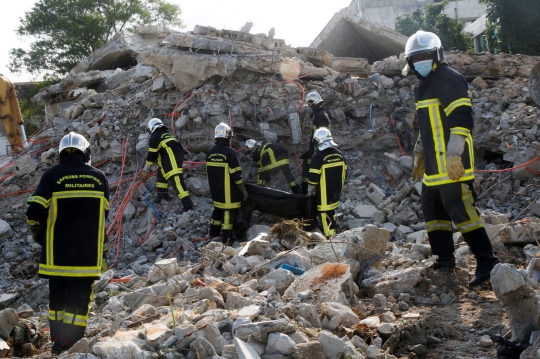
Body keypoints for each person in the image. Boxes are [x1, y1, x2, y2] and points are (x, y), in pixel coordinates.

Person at [406, 30, 499, 287]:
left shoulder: (450, 79)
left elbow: (461, 121)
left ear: (437, 55)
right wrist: (419, 155)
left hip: (453, 162)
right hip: (434, 165)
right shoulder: (421, 86)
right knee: (433, 210)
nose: (420, 62)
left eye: (425, 56)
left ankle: (487, 262)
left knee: (460, 209)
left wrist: (454, 154)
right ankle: (445, 260)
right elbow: (425, 127)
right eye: (415, 59)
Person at [25, 132, 109, 354]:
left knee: (58, 297)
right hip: (87, 256)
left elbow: (33, 212)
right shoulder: (99, 178)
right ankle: (71, 344)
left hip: (57, 257)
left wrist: (39, 233)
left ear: (61, 153)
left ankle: (56, 341)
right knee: (80, 300)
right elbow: (103, 218)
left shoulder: (52, 175)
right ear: (86, 153)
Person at [206, 123, 248, 243]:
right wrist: (243, 190)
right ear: (229, 136)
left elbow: (209, 174)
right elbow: (236, 175)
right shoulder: (230, 152)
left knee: (217, 212)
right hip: (229, 194)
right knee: (227, 215)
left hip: (215, 191)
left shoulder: (210, 152)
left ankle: (213, 234)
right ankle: (227, 239)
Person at [141, 118, 193, 211]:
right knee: (160, 179)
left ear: (152, 128)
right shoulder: (166, 134)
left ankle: (188, 206)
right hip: (168, 160)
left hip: (172, 161)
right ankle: (163, 197)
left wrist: (146, 170)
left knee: (177, 183)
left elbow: (152, 154)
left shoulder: (155, 136)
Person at [307, 127, 347, 237]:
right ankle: (334, 229)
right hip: (337, 191)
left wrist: (309, 192)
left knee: (325, 214)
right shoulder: (340, 154)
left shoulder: (318, 157)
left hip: (324, 194)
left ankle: (330, 238)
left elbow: (313, 178)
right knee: (332, 211)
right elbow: (345, 172)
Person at [301, 91, 331, 194]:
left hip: (317, 150)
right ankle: (306, 191)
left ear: (312, 103)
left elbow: (323, 136)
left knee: (312, 170)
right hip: (315, 149)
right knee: (307, 166)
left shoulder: (320, 116)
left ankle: (309, 193)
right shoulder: (319, 114)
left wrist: (317, 152)